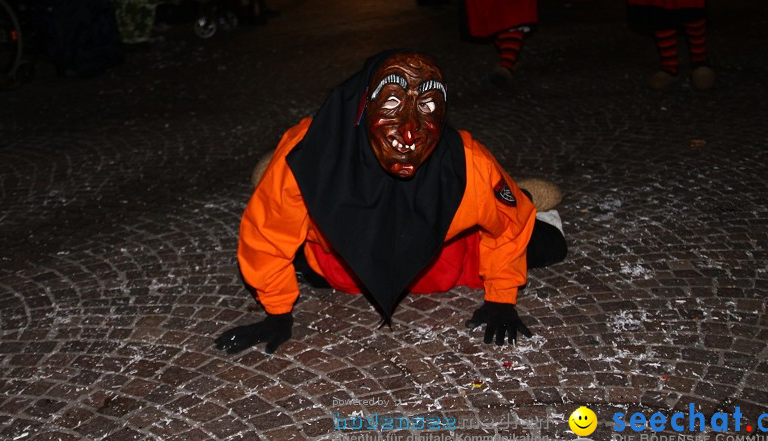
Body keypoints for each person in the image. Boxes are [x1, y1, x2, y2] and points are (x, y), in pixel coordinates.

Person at [214, 51, 567, 355]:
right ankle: (269, 173)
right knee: (296, 225)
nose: (410, 133)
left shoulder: (467, 165)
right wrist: (277, 311)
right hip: (339, 257)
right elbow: (268, 233)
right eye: (393, 101)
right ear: (363, 106)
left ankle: (526, 194)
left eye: (428, 106)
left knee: (548, 244)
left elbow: (509, 227)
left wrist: (501, 298)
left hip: (442, 255)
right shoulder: (310, 156)